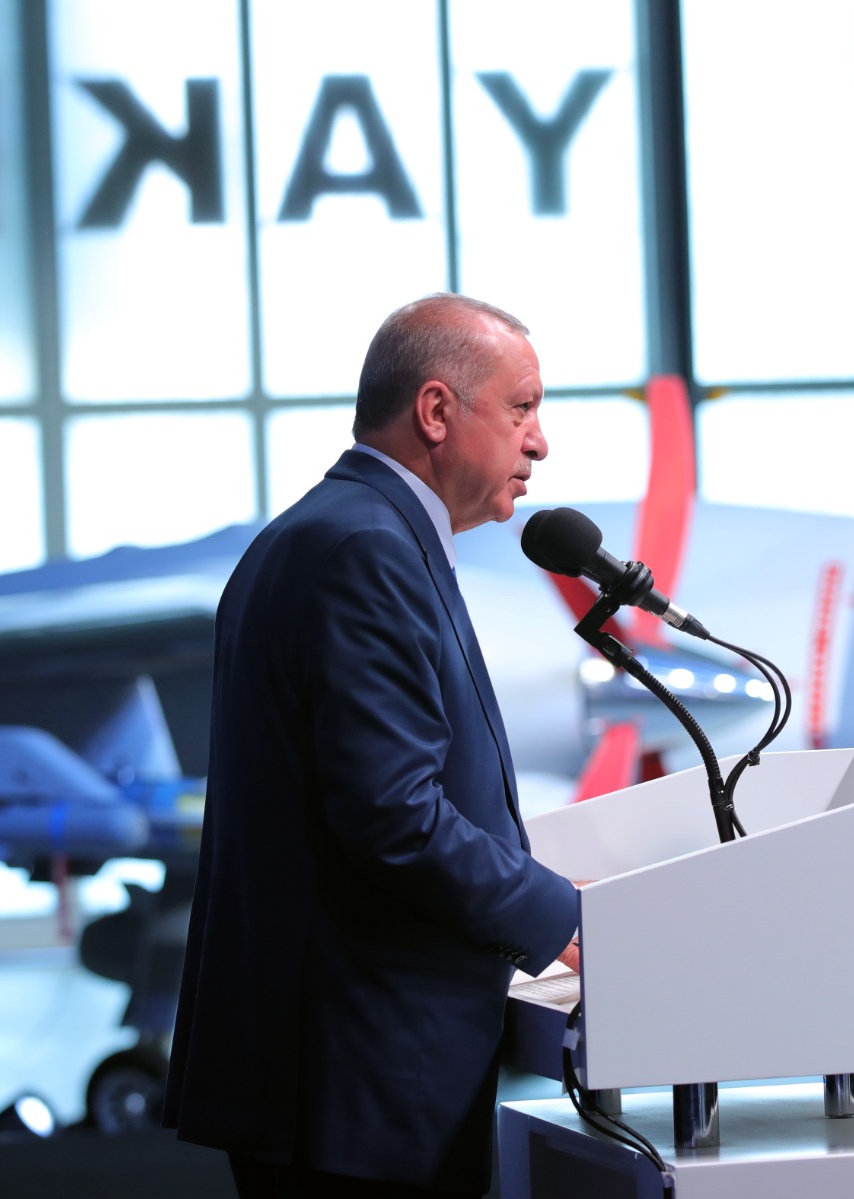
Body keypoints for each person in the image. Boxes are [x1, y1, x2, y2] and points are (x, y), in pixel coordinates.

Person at [164, 294, 582, 1198]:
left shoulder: (348, 532)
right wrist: (565, 919)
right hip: (354, 1084)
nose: (540, 442)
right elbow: (394, 813)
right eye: (521, 408)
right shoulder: (364, 547)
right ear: (436, 411)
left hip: (346, 1077)